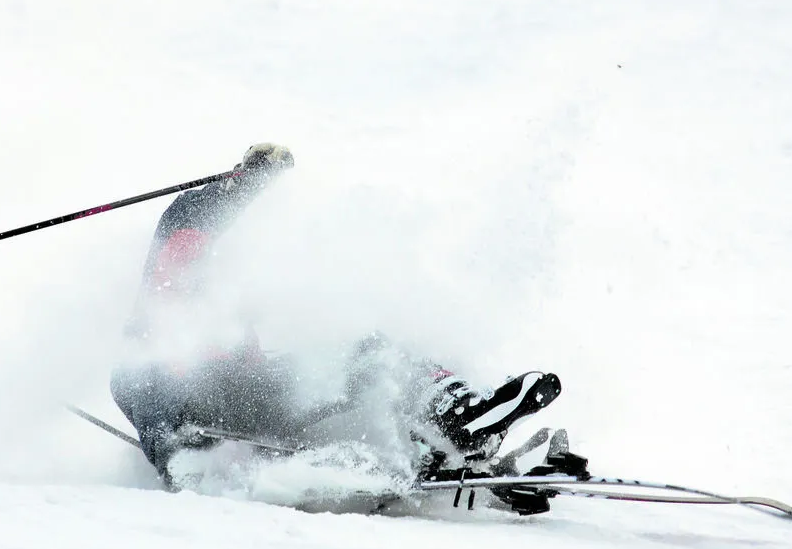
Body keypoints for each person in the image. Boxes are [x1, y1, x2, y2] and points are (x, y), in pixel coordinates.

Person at [110, 144, 562, 487]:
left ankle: (457, 424)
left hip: (253, 396)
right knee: (358, 361)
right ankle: (454, 431)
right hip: (220, 415)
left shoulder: (229, 305)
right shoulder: (144, 361)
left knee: (374, 352)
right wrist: (241, 186)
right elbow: (184, 226)